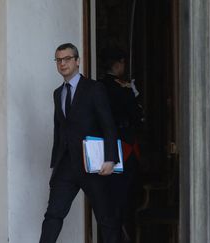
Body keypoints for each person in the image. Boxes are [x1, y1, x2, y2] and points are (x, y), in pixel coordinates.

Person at [39, 43, 121, 243]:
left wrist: (110, 159)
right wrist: (55, 164)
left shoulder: (94, 89)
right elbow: (59, 129)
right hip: (66, 165)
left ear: (77, 61)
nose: (62, 63)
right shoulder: (58, 93)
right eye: (59, 60)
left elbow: (108, 124)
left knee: (105, 218)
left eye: (67, 59)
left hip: (92, 164)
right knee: (53, 215)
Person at [99, 47, 143, 242]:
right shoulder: (121, 88)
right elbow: (136, 115)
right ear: (117, 64)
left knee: (110, 200)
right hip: (124, 147)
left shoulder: (99, 86)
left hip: (105, 148)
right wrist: (134, 95)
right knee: (124, 201)